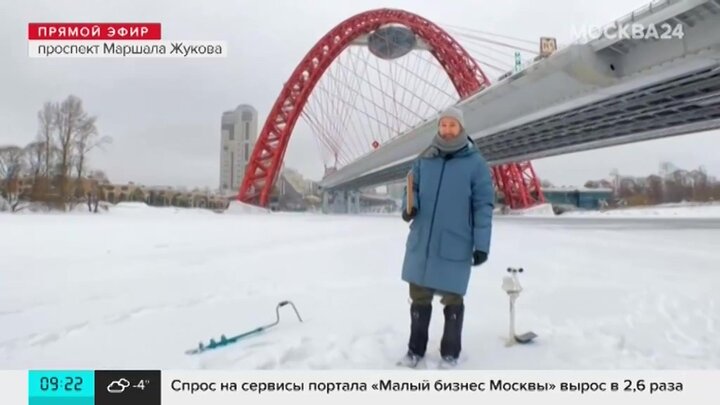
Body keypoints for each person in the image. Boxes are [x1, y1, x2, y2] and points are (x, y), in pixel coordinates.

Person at [398, 106, 494, 368]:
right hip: (423, 241)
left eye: (452, 125)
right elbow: (412, 187)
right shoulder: (425, 158)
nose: (447, 130)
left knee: (452, 298)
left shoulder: (475, 163)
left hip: (455, 241)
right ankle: (415, 350)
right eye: (443, 125)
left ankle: (450, 352)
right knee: (419, 295)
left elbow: (483, 205)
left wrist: (482, 244)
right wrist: (409, 206)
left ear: (461, 128)